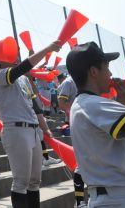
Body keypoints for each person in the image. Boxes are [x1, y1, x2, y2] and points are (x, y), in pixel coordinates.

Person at [68, 42, 125, 207]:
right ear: (94, 72)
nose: (110, 73)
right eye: (106, 66)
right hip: (119, 198)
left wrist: (122, 101)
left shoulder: (84, 104)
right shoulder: (92, 104)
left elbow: (117, 135)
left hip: (112, 197)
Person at [0, 40, 61, 207]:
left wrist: (45, 128)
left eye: (17, 51)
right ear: (0, 59)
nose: (16, 55)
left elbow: (35, 107)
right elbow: (23, 67)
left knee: (35, 181)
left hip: (32, 129)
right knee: (21, 181)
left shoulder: (23, 79)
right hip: (15, 129)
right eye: (11, 52)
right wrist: (48, 49)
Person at [56, 73, 86, 207]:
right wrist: (81, 104)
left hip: (90, 121)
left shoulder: (86, 79)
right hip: (79, 122)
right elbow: (62, 103)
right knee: (81, 164)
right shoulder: (69, 82)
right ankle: (79, 202)